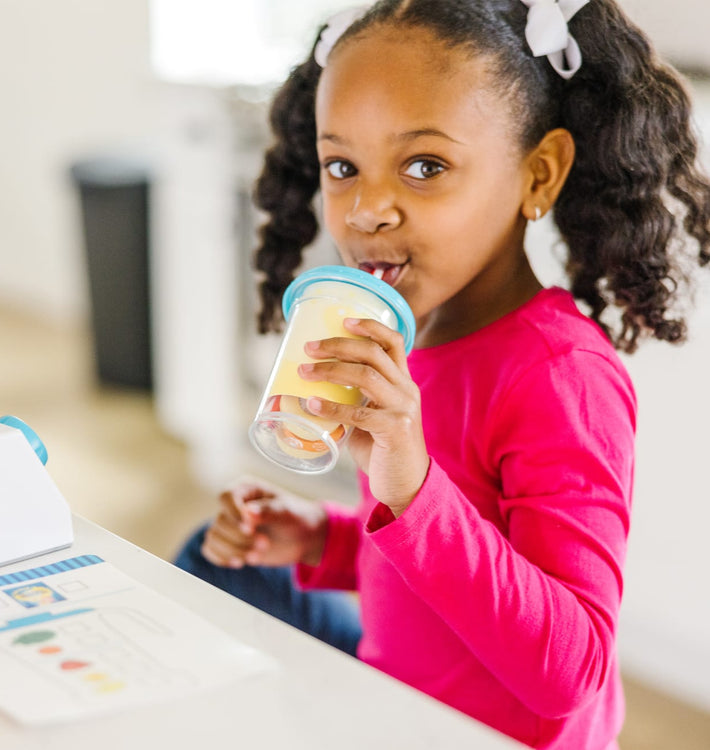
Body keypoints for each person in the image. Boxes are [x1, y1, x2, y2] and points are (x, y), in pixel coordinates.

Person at [174, 1, 710, 747]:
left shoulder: (557, 374)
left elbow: (571, 670)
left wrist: (409, 483)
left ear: (540, 173)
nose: (365, 210)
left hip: (483, 733)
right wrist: (317, 541)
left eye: (424, 166)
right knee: (215, 556)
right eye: (342, 166)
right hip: (401, 688)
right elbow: (421, 569)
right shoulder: (414, 322)